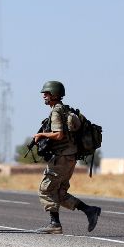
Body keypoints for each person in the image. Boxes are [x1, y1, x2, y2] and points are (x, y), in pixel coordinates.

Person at [33, 80, 101, 234]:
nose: (44, 96)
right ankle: (90, 211)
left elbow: (59, 135)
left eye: (47, 93)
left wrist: (42, 135)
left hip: (62, 158)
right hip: (70, 157)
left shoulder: (56, 112)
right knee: (59, 194)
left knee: (45, 189)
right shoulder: (65, 110)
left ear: (54, 94)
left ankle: (54, 224)